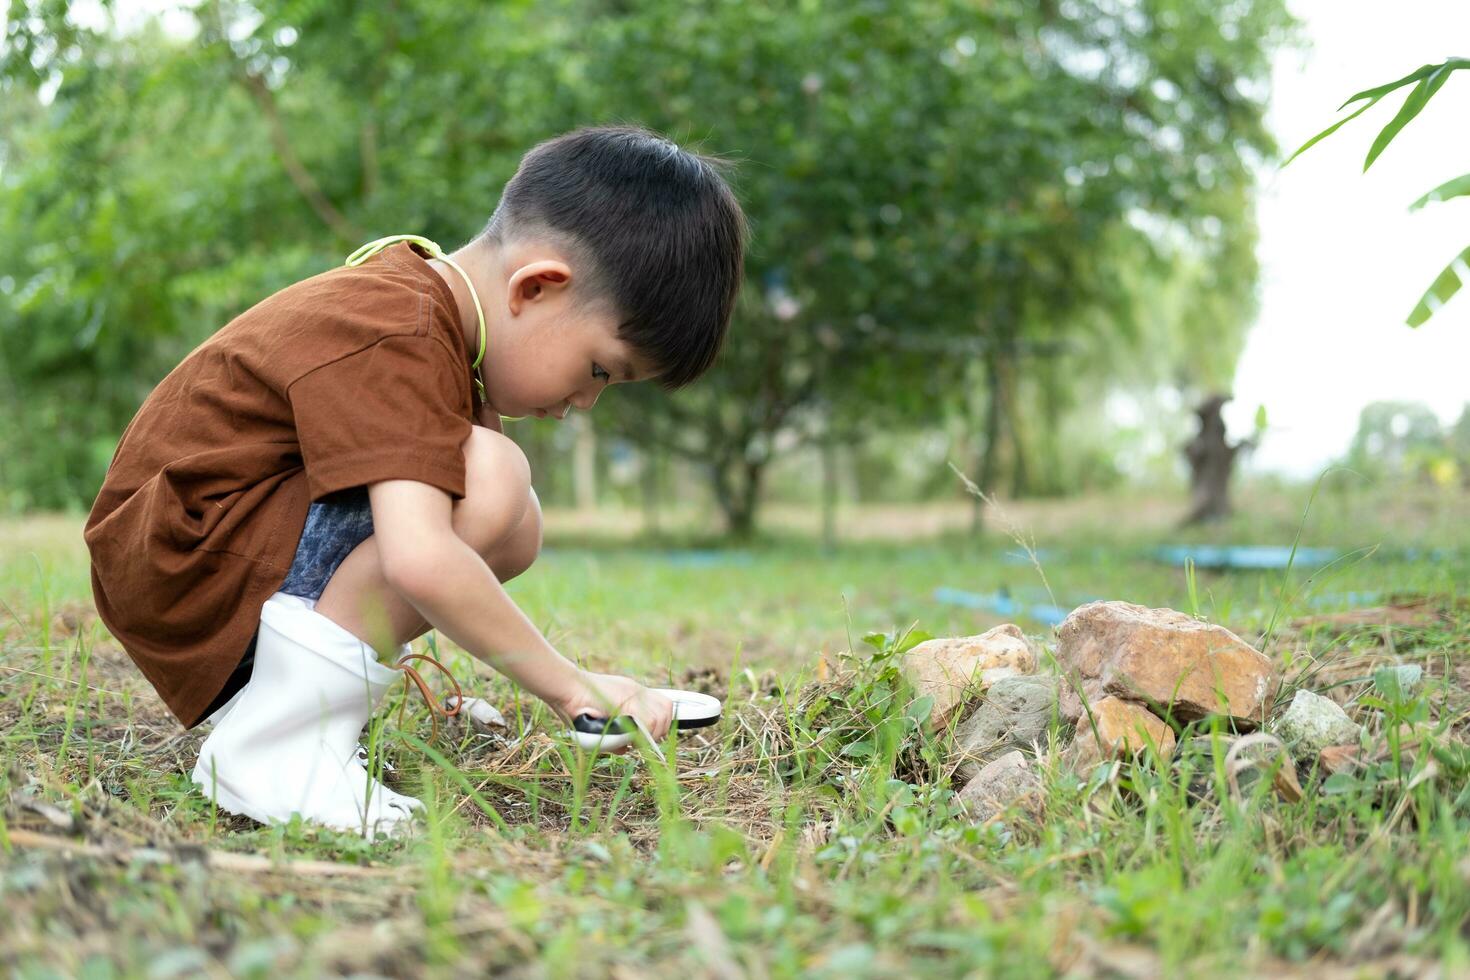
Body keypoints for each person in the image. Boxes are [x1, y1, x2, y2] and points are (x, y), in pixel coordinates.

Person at [82, 125, 747, 838]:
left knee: (514, 518)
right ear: (537, 287)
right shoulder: (400, 324)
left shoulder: (435, 313)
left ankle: (314, 722)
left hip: (213, 545)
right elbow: (419, 558)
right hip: (184, 561)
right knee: (491, 478)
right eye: (599, 371)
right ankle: (278, 748)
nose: (585, 402)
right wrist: (574, 690)